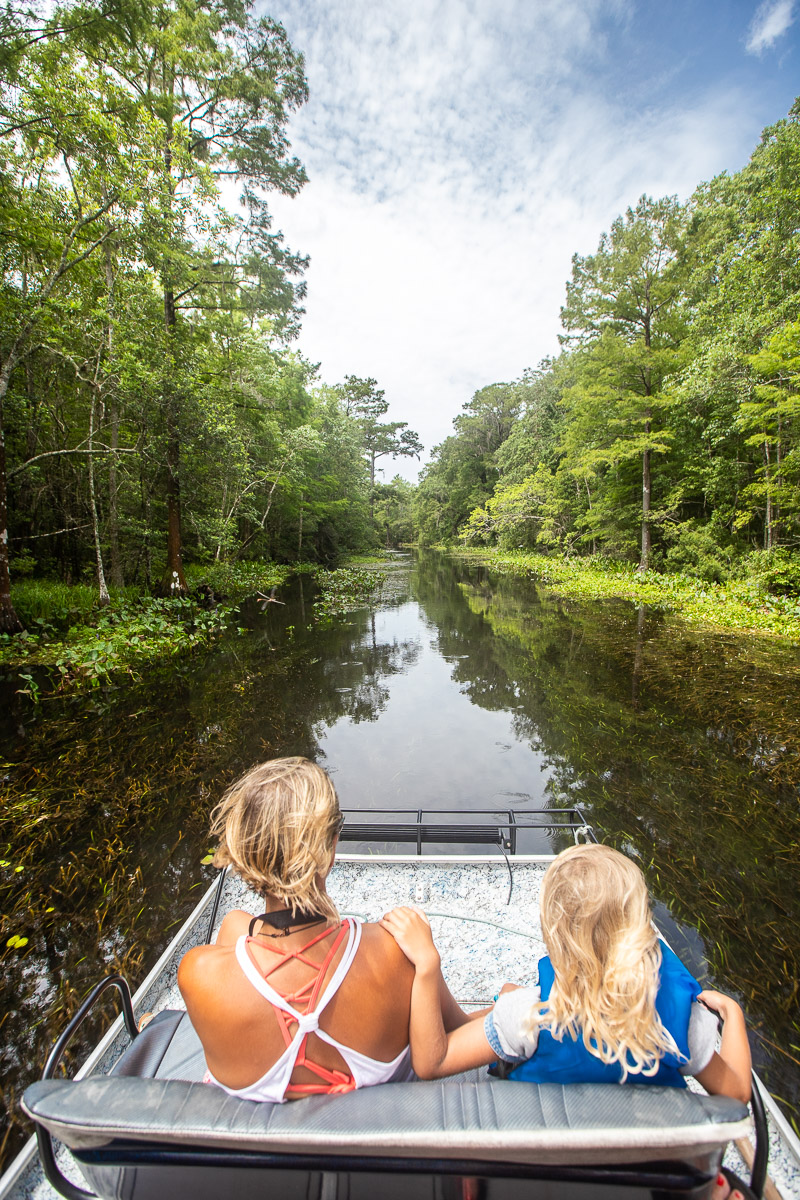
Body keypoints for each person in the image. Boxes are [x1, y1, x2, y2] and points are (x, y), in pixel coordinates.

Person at [179, 756, 468, 1102]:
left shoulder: (197, 975)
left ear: (245, 852)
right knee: (235, 925)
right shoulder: (396, 953)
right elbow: (458, 1031)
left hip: (254, 1152)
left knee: (233, 925)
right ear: (330, 849)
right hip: (372, 1138)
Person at [380, 843, 752, 1107]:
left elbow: (432, 1062)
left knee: (510, 998)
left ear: (553, 933)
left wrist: (428, 966)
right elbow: (735, 1092)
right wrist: (732, 1015)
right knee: (511, 996)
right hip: (638, 1166)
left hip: (540, 1153)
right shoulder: (682, 1020)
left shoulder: (528, 1015)